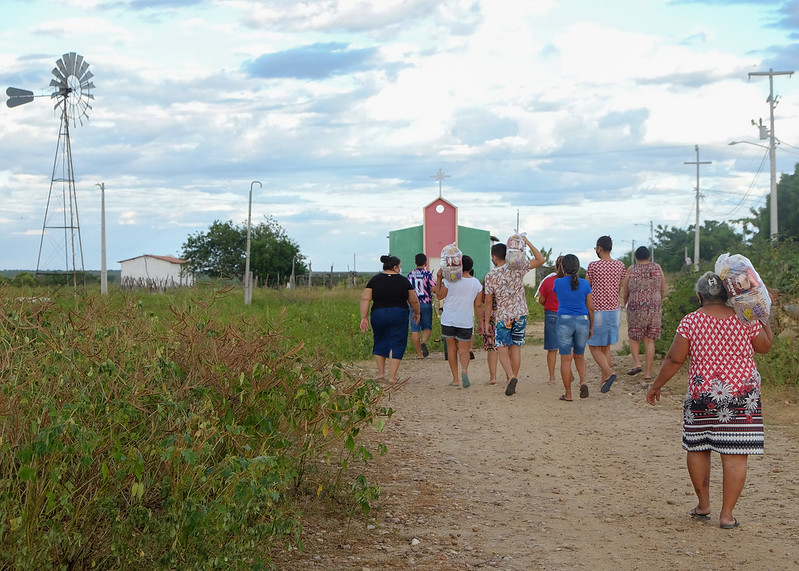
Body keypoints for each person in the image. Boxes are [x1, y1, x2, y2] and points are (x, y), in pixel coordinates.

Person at [646, 271, 773, 529]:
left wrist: (656, 385)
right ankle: (726, 516)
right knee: (735, 455)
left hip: (702, 396)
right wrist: (763, 316)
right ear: (729, 295)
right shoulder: (745, 318)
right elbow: (765, 346)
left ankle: (703, 504)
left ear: (698, 297)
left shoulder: (690, 322)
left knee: (698, 448)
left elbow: (674, 359)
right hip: (741, 397)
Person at [482, 235, 546, 396]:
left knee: (502, 347)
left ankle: (510, 377)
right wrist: (528, 242)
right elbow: (541, 259)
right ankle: (513, 377)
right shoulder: (518, 268)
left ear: (494, 257)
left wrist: (486, 321)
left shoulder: (490, 276)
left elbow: (488, 301)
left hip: (503, 315)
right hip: (520, 314)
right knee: (516, 347)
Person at [360, 255, 420, 383]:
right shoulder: (404, 281)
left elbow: (365, 299)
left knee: (380, 340)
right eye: (399, 266)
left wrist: (363, 317)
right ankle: (392, 377)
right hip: (399, 314)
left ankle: (381, 373)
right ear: (395, 267)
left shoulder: (374, 280)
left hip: (378, 313)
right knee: (397, 342)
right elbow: (413, 300)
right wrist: (417, 313)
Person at [586, 235, 626, 393]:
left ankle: (609, 374)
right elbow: (619, 287)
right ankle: (604, 382)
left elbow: (587, 287)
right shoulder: (620, 265)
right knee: (606, 348)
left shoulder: (593, 266)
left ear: (599, 248)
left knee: (594, 346)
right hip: (614, 310)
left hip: (599, 311)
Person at [435, 255, 484, 388]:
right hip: (466, 321)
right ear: (470, 267)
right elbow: (478, 305)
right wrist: (481, 322)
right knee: (464, 350)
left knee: (451, 350)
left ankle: (455, 379)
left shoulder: (450, 281)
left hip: (449, 319)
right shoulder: (476, 284)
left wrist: (439, 278)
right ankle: (464, 370)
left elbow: (439, 295)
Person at [622, 246, 667, 380]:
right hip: (654, 307)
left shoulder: (632, 269)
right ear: (649, 257)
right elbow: (662, 288)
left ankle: (637, 363)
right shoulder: (657, 268)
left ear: (636, 257)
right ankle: (648, 373)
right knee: (649, 339)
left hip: (635, 306)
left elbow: (625, 290)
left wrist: (626, 303)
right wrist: (657, 301)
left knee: (634, 335)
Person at [552, 254, 593, 401]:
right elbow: (591, 308)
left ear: (563, 267)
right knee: (580, 356)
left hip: (564, 320)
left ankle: (568, 394)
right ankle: (583, 382)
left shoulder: (558, 283)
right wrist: (591, 327)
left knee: (566, 359)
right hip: (583, 320)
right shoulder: (585, 284)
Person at [537, 256, 564, 384]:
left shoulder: (549, 282)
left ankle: (552, 377)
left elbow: (541, 300)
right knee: (566, 348)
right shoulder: (573, 282)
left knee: (552, 349)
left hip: (551, 314)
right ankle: (567, 372)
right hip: (567, 315)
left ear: (555, 266)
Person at [406, 253, 436, 359]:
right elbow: (433, 289)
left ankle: (419, 354)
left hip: (413, 304)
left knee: (415, 329)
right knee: (427, 327)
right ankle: (423, 342)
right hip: (425, 303)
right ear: (425, 263)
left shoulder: (410, 275)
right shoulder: (427, 274)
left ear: (415, 262)